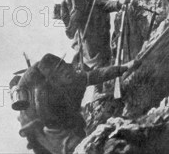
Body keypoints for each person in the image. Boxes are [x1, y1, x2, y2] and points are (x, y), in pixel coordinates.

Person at [10, 53, 139, 154]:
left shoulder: (73, 79)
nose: (65, 72)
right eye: (59, 71)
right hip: (56, 135)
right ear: (54, 79)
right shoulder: (44, 97)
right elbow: (54, 122)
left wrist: (125, 67)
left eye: (63, 66)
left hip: (69, 123)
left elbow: (96, 75)